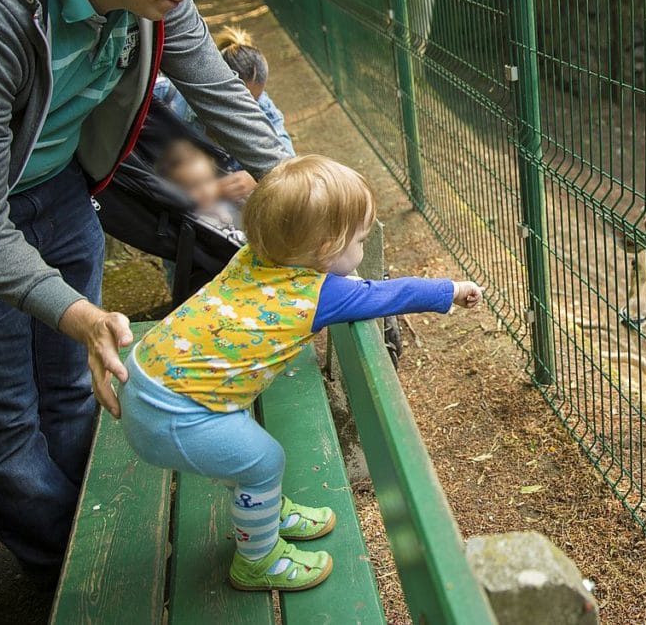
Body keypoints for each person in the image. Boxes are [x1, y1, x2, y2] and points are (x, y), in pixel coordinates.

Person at [0, 0, 293, 583]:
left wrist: (299, 185)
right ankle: (65, 567)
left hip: (59, 188)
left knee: (72, 384)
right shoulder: (3, 12)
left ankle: (86, 531)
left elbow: (218, 93)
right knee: (5, 420)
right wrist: (76, 311)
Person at [120, 155, 482, 591]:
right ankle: (258, 560)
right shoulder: (318, 294)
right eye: (361, 241)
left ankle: (264, 510)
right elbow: (387, 294)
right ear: (328, 250)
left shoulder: (252, 257)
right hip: (174, 416)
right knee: (264, 460)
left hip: (146, 378)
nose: (363, 250)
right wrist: (452, 289)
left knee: (253, 461)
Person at [156, 25, 295, 157]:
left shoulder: (262, 106)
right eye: (239, 101)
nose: (246, 109)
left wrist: (249, 177)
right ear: (214, 83)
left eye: (253, 100)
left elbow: (286, 157)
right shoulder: (164, 95)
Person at [157, 138, 245, 239]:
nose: (205, 191)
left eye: (208, 181)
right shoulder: (190, 220)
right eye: (194, 186)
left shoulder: (222, 202)